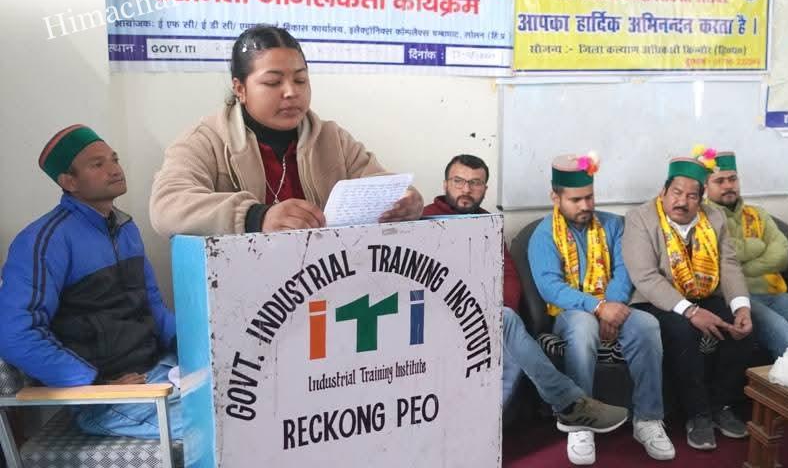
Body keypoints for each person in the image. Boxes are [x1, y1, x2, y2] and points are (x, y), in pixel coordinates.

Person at [423, 154, 629, 443]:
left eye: (475, 183)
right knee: (507, 324)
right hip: (433, 316)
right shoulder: (423, 219)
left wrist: (494, 311)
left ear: (485, 189)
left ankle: (485, 433)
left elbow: (508, 274)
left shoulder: (487, 223)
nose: (466, 189)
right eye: (458, 181)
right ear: (445, 184)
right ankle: (571, 403)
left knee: (507, 323)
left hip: (479, 316)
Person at [150, 25, 423, 237]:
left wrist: (406, 201)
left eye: (300, 80)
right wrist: (255, 217)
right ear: (240, 89)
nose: (291, 92)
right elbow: (167, 207)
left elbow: (382, 183)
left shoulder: (332, 139)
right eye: (273, 82)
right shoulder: (206, 140)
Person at [0, 125, 182, 439]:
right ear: (68, 182)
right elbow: (15, 333)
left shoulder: (125, 228)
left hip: (162, 371)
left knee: (253, 399)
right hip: (109, 398)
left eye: (115, 159)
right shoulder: (44, 240)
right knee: (232, 429)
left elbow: (153, 307)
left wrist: (197, 347)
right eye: (98, 164)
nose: (114, 169)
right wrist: (97, 385)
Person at [529, 154, 673, 465]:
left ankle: (648, 418)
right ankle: (581, 421)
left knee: (647, 324)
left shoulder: (613, 225)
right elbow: (550, 287)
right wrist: (598, 308)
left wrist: (612, 307)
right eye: (576, 200)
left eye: (590, 197)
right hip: (568, 313)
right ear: (556, 198)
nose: (585, 205)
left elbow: (624, 271)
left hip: (612, 304)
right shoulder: (543, 234)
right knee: (583, 327)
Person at [623, 154, 753, 452]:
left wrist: (741, 307)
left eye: (692, 196)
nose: (682, 202)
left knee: (742, 330)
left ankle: (721, 406)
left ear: (701, 198)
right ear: (663, 191)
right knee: (684, 332)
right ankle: (698, 414)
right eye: (676, 193)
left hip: (704, 293)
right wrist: (691, 311)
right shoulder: (640, 218)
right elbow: (645, 276)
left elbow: (729, 264)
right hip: (657, 300)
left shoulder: (714, 217)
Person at [703, 150, 788, 357]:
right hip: (736, 298)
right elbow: (723, 255)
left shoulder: (757, 214)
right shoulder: (702, 218)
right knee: (782, 330)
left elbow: (781, 255)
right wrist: (758, 246)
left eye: (732, 179)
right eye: (719, 181)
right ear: (705, 187)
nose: (728, 185)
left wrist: (743, 267)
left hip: (773, 291)